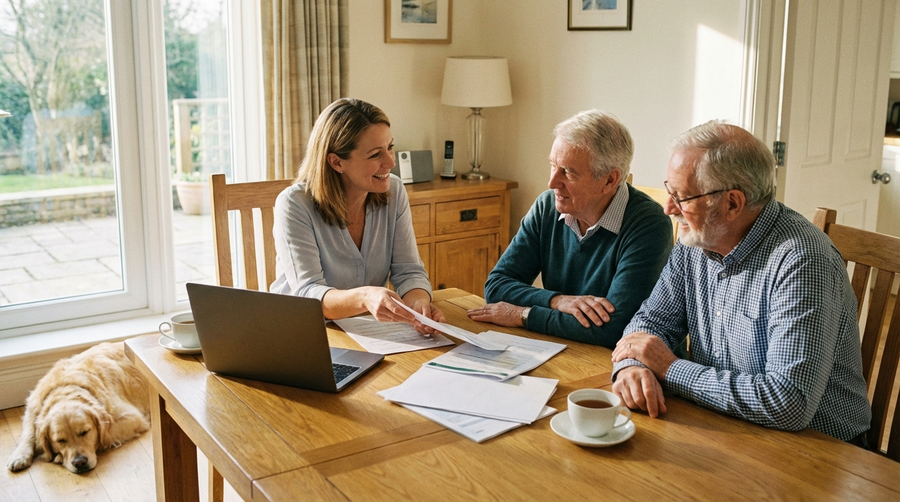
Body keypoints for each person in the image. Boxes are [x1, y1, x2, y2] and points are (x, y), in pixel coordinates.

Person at [610, 120, 871, 444]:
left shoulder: (802, 261)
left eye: (681, 197)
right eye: (669, 191)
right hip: (726, 425)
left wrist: (668, 367)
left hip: (819, 450)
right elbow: (649, 324)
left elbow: (788, 403)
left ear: (732, 203)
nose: (668, 208)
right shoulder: (697, 240)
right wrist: (632, 367)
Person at [466, 110, 673, 347]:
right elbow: (496, 287)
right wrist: (557, 301)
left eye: (568, 172)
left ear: (609, 180)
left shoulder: (649, 224)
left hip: (622, 366)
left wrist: (522, 315)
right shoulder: (547, 207)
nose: (552, 182)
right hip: (565, 347)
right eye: (553, 165)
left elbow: (616, 328)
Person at [270, 98, 444, 332]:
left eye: (390, 147)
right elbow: (309, 293)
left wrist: (419, 306)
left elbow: (409, 271)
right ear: (336, 162)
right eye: (375, 155)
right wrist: (366, 297)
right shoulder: (294, 204)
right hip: (301, 333)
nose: (390, 162)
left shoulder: (395, 191)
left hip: (364, 331)